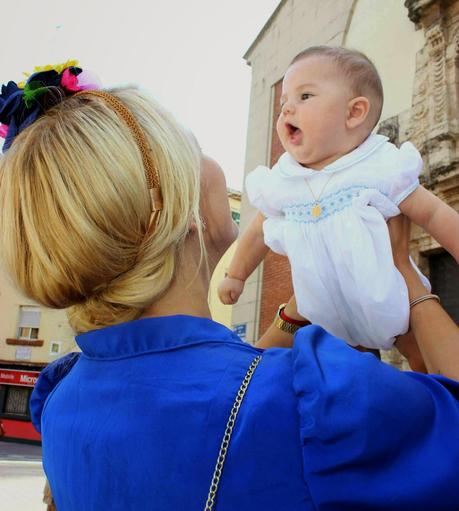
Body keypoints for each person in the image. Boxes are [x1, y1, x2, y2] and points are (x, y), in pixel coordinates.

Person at [1, 62, 459, 511]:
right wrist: (406, 279)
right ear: (173, 212)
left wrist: (295, 313)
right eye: (193, 147)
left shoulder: (63, 397)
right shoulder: (310, 405)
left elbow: (218, 389)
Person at [218, 46, 459, 366]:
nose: (288, 108)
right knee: (287, 365)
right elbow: (259, 229)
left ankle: (433, 398)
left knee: (421, 359)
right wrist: (236, 274)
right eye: (283, 102)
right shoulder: (284, 178)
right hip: (317, 314)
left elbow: (433, 213)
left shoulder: (379, 165)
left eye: (304, 96)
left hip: (388, 300)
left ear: (354, 112)